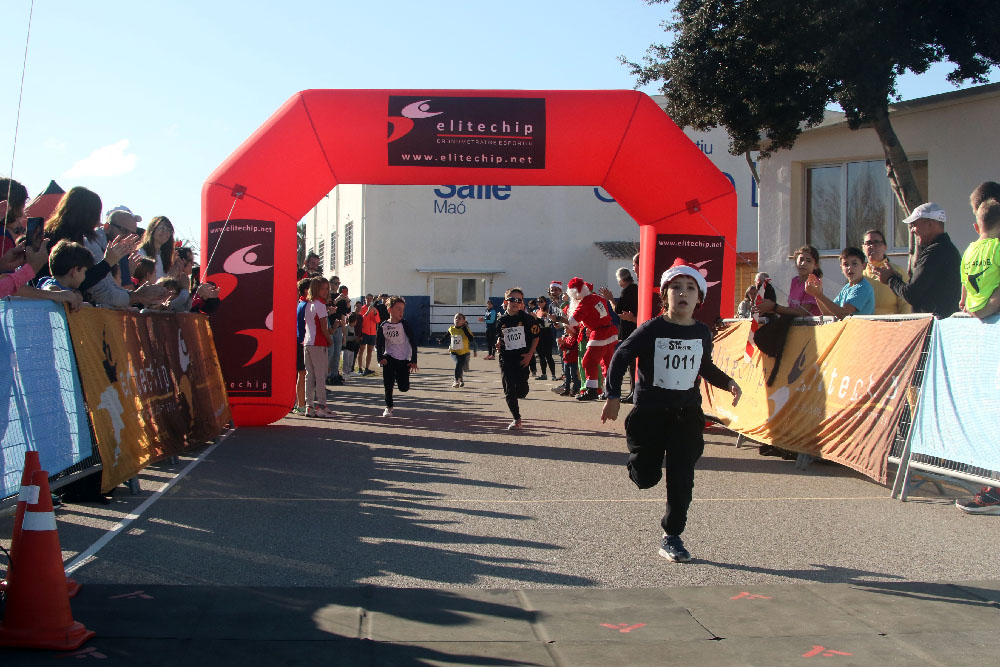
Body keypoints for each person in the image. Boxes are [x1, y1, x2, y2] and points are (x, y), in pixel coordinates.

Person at [600, 260, 741, 563]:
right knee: (647, 478)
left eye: (690, 288)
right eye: (676, 287)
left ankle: (672, 535)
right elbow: (621, 355)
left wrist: (727, 382)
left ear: (699, 298)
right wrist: (612, 395)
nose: (683, 293)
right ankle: (638, 463)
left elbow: (704, 366)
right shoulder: (652, 328)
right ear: (665, 295)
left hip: (686, 415)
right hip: (650, 413)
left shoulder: (702, 332)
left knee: (682, 476)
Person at [43, 187, 162, 308]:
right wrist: (107, 263)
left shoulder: (91, 242)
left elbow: (105, 287)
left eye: (132, 234)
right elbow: (94, 288)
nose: (128, 237)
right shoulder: (75, 242)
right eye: (124, 231)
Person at [869, 202, 961, 318]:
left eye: (914, 224)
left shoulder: (935, 251)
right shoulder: (946, 249)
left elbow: (911, 294)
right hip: (941, 325)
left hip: (935, 327)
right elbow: (919, 291)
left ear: (930, 224)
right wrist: (896, 279)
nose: (912, 230)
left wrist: (890, 279)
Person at [565, 277, 618, 401]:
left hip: (599, 335)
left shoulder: (584, 303)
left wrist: (558, 318)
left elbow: (572, 321)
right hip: (609, 331)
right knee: (607, 363)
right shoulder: (597, 298)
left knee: (588, 362)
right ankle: (610, 390)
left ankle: (592, 390)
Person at [495, 287, 540, 430]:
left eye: (519, 300)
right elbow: (499, 335)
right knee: (509, 389)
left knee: (521, 390)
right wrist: (498, 341)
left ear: (522, 303)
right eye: (512, 299)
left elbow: (536, 337)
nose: (515, 302)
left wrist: (529, 355)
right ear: (505, 301)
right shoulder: (501, 320)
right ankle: (516, 418)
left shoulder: (526, 319)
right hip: (506, 358)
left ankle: (523, 388)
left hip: (522, 358)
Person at [599, 267, 640, 402]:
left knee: (629, 363)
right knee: (631, 364)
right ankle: (633, 391)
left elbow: (618, 310)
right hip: (632, 330)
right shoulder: (635, 289)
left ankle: (633, 392)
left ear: (621, 279)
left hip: (630, 331)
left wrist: (610, 298)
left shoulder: (628, 291)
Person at [959, 188, 1000, 320]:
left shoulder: (968, 251)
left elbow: (965, 282)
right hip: (991, 307)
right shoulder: (997, 247)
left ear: (976, 227)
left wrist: (963, 300)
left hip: (972, 308)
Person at [804, 247, 876, 319]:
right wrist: (816, 294)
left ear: (864, 266)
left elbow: (843, 314)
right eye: (846, 264)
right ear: (841, 268)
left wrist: (819, 295)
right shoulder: (847, 287)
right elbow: (828, 313)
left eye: (854, 263)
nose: (850, 268)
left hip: (861, 329)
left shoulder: (862, 287)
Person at [376, 296, 418, 417]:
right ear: (389, 309)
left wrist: (414, 360)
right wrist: (380, 358)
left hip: (404, 360)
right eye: (398, 309)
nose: (401, 312)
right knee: (388, 385)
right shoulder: (383, 326)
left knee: (404, 388)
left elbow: (413, 342)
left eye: (403, 310)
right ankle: (389, 407)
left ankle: (400, 379)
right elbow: (379, 344)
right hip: (389, 358)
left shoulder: (405, 325)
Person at [757, 246, 822, 318]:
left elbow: (803, 313)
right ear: (796, 261)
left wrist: (774, 307)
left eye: (808, 261)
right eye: (801, 259)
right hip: (794, 326)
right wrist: (767, 308)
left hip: (810, 327)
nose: (803, 263)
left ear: (816, 266)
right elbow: (791, 310)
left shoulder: (813, 282)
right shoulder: (795, 281)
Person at [302, 277, 334, 418]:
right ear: (315, 289)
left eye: (327, 288)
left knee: (310, 376)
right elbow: (323, 326)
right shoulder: (320, 305)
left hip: (308, 342)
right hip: (318, 343)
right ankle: (322, 406)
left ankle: (309, 406)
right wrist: (329, 339)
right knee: (321, 376)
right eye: (323, 288)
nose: (326, 291)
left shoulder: (309, 304)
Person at [862, 230, 911, 315]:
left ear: (885, 247)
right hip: (864, 325)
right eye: (868, 243)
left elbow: (906, 303)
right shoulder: (859, 274)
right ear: (863, 248)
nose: (872, 246)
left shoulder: (896, 271)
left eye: (876, 242)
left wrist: (902, 324)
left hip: (890, 325)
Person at [135, 216, 175, 280]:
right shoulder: (141, 253)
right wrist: (171, 276)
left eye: (168, 230)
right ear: (152, 229)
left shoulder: (163, 256)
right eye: (162, 228)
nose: (165, 232)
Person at [448, 312, 477, 387]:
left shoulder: (466, 329)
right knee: (458, 363)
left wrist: (475, 351)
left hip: (464, 352)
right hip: (454, 351)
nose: (457, 319)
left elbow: (471, 339)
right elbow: (447, 336)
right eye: (455, 318)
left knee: (464, 368)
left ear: (464, 321)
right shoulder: (451, 329)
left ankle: (460, 377)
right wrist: (441, 341)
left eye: (459, 318)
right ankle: (456, 380)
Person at [357, 293, 381, 375]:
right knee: (361, 350)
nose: (369, 300)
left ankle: (367, 368)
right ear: (365, 299)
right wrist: (367, 312)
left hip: (372, 333)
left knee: (369, 351)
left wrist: (374, 312)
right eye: (368, 298)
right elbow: (361, 319)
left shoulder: (374, 309)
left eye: (371, 298)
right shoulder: (362, 309)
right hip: (364, 332)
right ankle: (360, 368)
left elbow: (378, 321)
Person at [534, 296, 557, 380]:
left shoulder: (548, 311)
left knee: (548, 356)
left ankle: (553, 375)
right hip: (539, 334)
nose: (539, 303)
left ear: (545, 302)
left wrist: (537, 319)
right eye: (538, 302)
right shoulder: (537, 311)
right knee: (541, 356)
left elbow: (546, 324)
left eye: (541, 301)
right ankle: (544, 374)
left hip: (547, 334)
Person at [556, 326, 581, 396]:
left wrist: (563, 343)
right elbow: (564, 348)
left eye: (567, 328)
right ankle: (567, 389)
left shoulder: (575, 338)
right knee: (567, 375)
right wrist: (561, 343)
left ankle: (576, 389)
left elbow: (571, 347)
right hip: (567, 359)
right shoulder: (567, 337)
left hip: (573, 359)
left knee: (574, 375)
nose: (565, 330)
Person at [341, 312, 360, 382]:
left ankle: (348, 373)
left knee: (350, 362)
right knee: (346, 361)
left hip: (352, 347)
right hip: (347, 347)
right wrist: (353, 338)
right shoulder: (347, 327)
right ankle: (345, 373)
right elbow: (345, 337)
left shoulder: (353, 328)